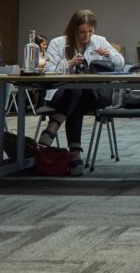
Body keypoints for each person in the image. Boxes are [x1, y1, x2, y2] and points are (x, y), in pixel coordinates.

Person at [38, 10, 123, 176]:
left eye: (90, 31)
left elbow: (121, 62)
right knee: (76, 90)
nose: (87, 36)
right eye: (82, 32)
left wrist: (110, 54)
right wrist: (68, 64)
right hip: (63, 93)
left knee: (79, 86)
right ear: (73, 29)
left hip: (95, 95)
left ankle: (56, 122)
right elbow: (48, 71)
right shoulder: (58, 43)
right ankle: (75, 154)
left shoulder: (99, 41)